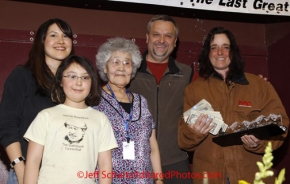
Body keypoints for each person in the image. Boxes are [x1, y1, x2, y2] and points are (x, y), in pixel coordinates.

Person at [178, 27, 289, 184]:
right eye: (214, 48)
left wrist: (260, 142)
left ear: (233, 52)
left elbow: (281, 125)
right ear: (207, 53)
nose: (220, 52)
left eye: (226, 47)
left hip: (252, 176)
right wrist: (194, 132)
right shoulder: (193, 90)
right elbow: (183, 141)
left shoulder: (258, 85)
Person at [0, 18, 75, 184]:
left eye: (66, 36)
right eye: (54, 35)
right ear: (42, 41)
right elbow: (7, 125)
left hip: (67, 174)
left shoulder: (75, 83)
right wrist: (21, 170)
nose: (61, 41)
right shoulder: (22, 76)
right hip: (30, 173)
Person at [23, 55, 117, 184]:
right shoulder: (46, 116)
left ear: (92, 82)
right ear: (61, 81)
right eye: (72, 76)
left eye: (85, 77)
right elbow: (33, 161)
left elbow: (105, 163)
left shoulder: (101, 119)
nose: (78, 83)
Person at [127, 15, 193, 183]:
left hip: (176, 162)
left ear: (175, 41)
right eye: (156, 34)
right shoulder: (128, 70)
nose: (162, 40)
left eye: (168, 36)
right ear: (148, 37)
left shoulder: (187, 74)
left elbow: (212, 96)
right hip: (136, 162)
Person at [93, 37, 163, 183]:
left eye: (127, 63)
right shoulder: (94, 101)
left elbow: (153, 146)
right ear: (104, 67)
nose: (121, 67)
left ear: (133, 69)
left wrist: (159, 179)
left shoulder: (141, 101)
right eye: (115, 62)